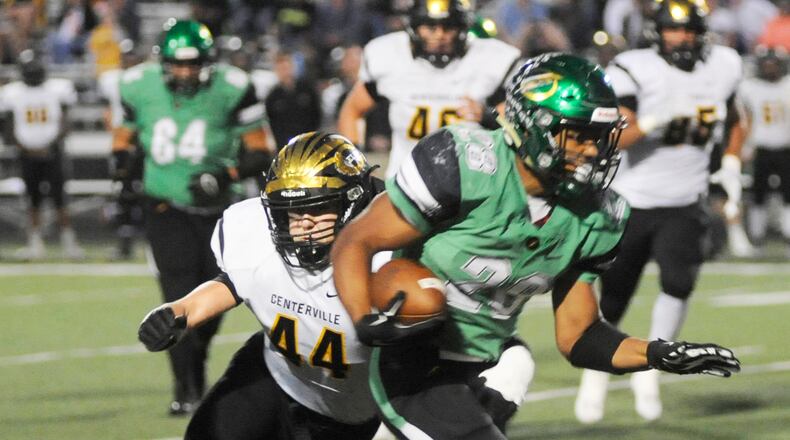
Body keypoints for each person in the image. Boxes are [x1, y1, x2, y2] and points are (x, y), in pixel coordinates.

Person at [331, 53, 741, 439]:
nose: (593, 150)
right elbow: (357, 240)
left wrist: (656, 354)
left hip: (492, 362)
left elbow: (579, 337)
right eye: (578, 135)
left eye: (600, 137)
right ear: (532, 125)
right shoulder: (464, 165)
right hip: (418, 361)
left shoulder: (599, 214)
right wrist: (364, 318)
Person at [137, 132, 529, 439]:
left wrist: (504, 368)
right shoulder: (251, 229)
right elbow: (235, 281)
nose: (302, 223)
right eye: (290, 212)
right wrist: (181, 311)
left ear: (354, 204)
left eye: (317, 209)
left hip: (351, 413)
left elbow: (465, 330)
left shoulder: (396, 259)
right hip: (272, 375)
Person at [573, 0, 747, 423]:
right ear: (657, 32)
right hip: (630, 202)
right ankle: (596, 374)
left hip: (685, 200)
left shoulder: (723, 64)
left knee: (679, 282)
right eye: (673, 30)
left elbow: (737, 120)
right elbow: (613, 136)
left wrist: (731, 163)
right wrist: (651, 123)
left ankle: (655, 360)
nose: (682, 38)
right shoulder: (635, 68)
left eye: (688, 31)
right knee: (613, 299)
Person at [113, 19, 271, 415]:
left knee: (215, 297)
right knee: (176, 292)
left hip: (220, 213)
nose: (185, 72)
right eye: (178, 64)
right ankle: (185, 388)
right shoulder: (137, 86)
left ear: (208, 62)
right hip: (164, 206)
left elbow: (259, 151)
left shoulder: (234, 88)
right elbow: (124, 136)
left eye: (193, 64)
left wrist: (225, 175)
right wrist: (124, 164)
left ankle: (195, 363)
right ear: (163, 62)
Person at [337, 0, 521, 177]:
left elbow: (520, 123)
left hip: (471, 184)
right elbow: (352, 111)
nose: (440, 35)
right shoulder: (389, 54)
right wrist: (357, 167)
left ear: (463, 27)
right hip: (404, 181)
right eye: (430, 27)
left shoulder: (491, 58)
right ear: (414, 26)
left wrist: (488, 116)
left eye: (448, 27)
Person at [0, 49, 84, 261]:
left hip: (52, 152)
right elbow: (9, 127)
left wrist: (50, 145)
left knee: (60, 199)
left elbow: (65, 122)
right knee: (32, 199)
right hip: (27, 153)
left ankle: (68, 241)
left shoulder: (57, 89)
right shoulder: (13, 93)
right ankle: (35, 242)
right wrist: (25, 147)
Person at [98, 39, 144, 260]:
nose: (130, 60)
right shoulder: (112, 80)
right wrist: (117, 135)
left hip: (144, 143)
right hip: (122, 144)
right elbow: (107, 110)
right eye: (127, 56)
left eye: (133, 56)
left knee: (150, 193)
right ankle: (125, 244)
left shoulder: (148, 80)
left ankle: (153, 241)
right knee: (122, 193)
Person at [740, 47, 790, 251]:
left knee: (789, 193)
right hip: (760, 148)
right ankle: (757, 236)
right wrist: (746, 145)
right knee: (757, 194)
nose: (770, 69)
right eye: (767, 65)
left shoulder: (787, 86)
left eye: (773, 65)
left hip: (785, 147)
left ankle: (788, 236)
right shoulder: (750, 88)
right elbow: (744, 119)